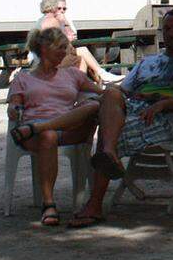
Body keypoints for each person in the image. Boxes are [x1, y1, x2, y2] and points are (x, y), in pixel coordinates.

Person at [68, 8, 173, 228]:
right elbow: (123, 89)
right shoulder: (148, 62)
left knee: (110, 135)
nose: (171, 34)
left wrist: (164, 102)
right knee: (110, 94)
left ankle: (94, 204)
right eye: (167, 29)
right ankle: (106, 155)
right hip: (134, 111)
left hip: (166, 120)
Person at [7, 27, 105, 226]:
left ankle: (41, 128)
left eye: (66, 48)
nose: (65, 53)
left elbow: (101, 93)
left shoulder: (72, 74)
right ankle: (48, 203)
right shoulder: (23, 78)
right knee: (48, 136)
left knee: (94, 105)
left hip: (66, 129)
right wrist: (14, 109)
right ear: (44, 48)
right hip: (34, 132)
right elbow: (14, 105)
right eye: (60, 48)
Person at [37, 0, 121, 84]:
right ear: (53, 7)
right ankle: (100, 75)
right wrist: (65, 26)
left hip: (58, 54)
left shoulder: (49, 20)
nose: (61, 11)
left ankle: (86, 83)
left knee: (82, 57)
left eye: (64, 9)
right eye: (58, 8)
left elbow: (70, 35)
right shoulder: (51, 21)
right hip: (55, 58)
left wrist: (65, 23)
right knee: (82, 52)